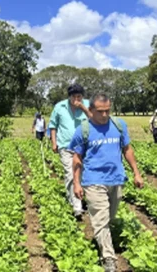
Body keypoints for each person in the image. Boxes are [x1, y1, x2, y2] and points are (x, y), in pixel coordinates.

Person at [69, 93, 144, 272]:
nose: (104, 115)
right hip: (94, 180)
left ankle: (103, 240)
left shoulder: (119, 125)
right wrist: (77, 184)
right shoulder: (83, 130)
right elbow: (77, 158)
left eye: (107, 111)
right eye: (100, 111)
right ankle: (108, 258)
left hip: (116, 178)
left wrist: (136, 173)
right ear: (91, 110)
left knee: (109, 217)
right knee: (101, 220)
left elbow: (127, 149)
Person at [49, 83, 91, 218]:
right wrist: (54, 142)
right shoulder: (59, 107)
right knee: (70, 173)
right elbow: (53, 126)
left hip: (83, 146)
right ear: (69, 97)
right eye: (74, 96)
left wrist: (83, 108)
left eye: (79, 96)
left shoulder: (87, 104)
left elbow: (96, 119)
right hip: (65, 145)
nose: (76, 99)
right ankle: (77, 206)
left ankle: (74, 197)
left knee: (82, 174)